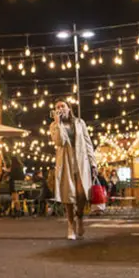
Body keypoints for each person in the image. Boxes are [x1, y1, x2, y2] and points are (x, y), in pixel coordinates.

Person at [50, 100, 96, 241]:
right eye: (57, 107)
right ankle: (70, 224)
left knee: (82, 193)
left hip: (81, 161)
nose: (60, 108)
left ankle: (80, 217)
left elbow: (88, 142)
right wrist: (58, 123)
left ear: (69, 108)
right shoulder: (54, 125)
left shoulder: (80, 123)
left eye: (62, 106)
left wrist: (93, 163)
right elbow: (60, 142)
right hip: (65, 162)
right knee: (68, 195)